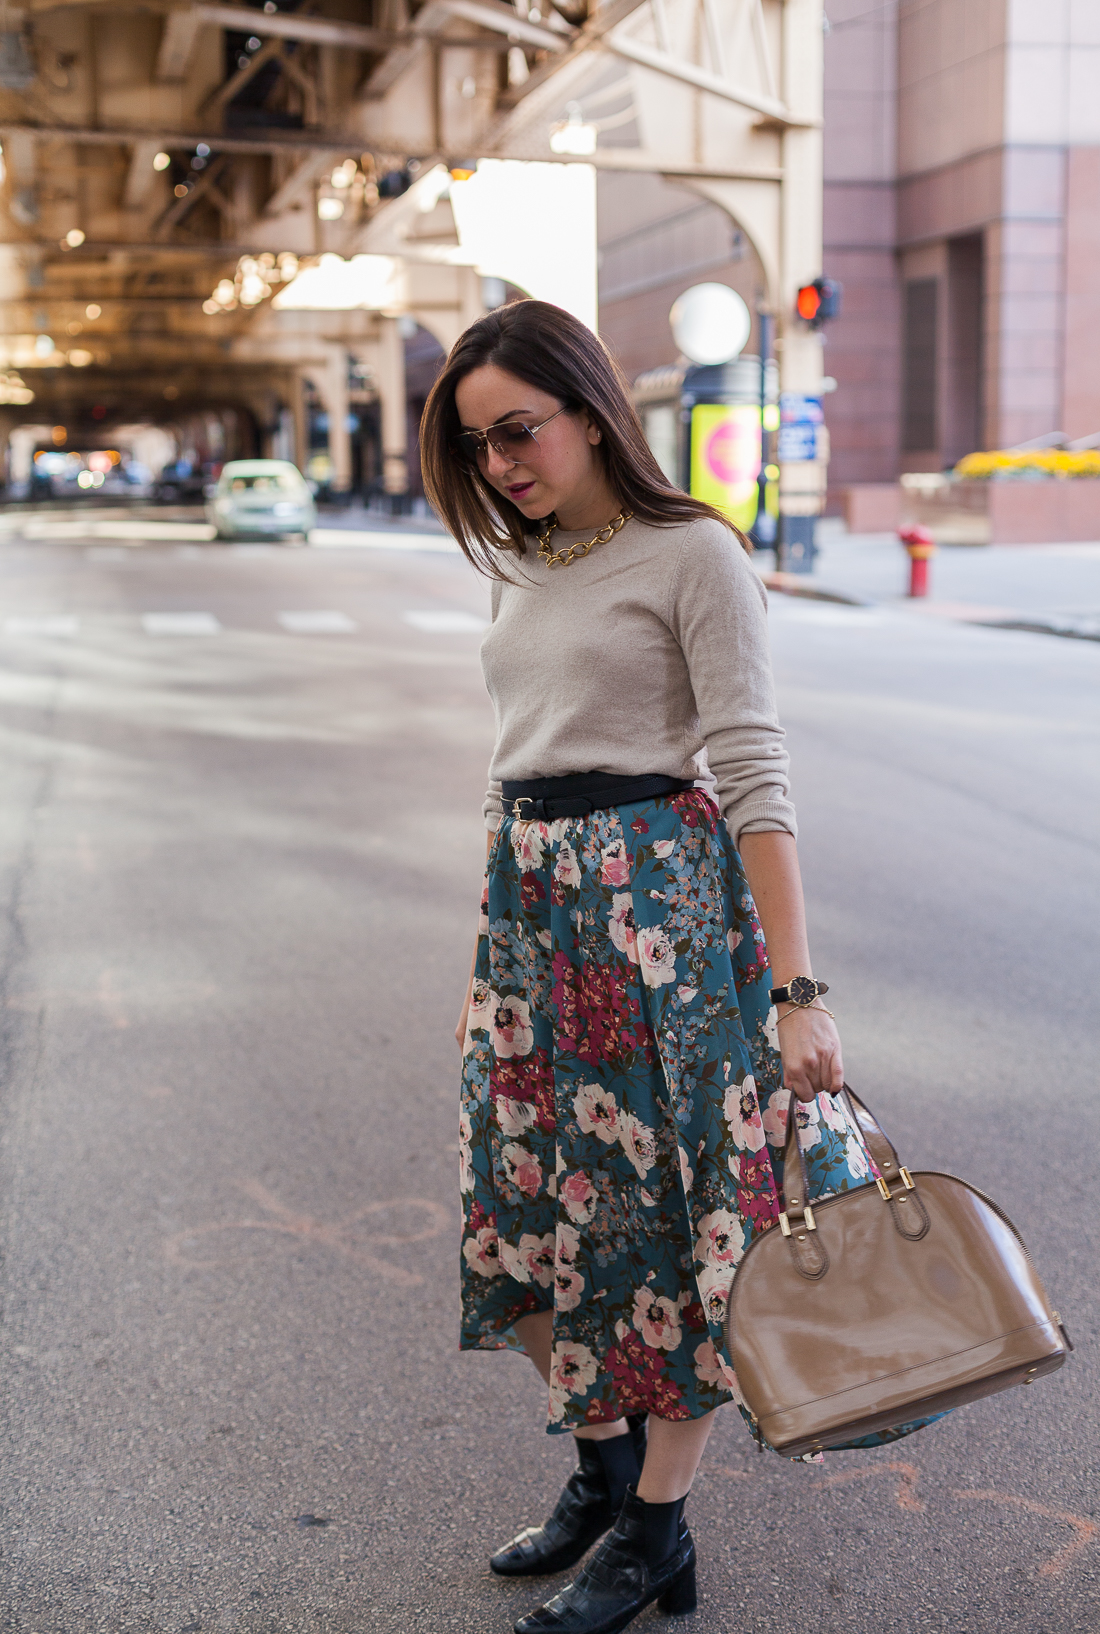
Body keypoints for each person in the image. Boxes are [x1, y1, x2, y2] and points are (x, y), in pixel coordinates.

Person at [420, 300, 870, 1634]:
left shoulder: (695, 554)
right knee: (514, 1219)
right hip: (531, 912)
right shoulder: (523, 559)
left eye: (518, 431)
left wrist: (797, 989)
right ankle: (607, 1473)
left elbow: (753, 769)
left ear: (588, 404)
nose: (501, 464)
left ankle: (656, 1531)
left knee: (670, 1231)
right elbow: (518, 760)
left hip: (659, 923)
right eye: (477, 445)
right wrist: (484, 960)